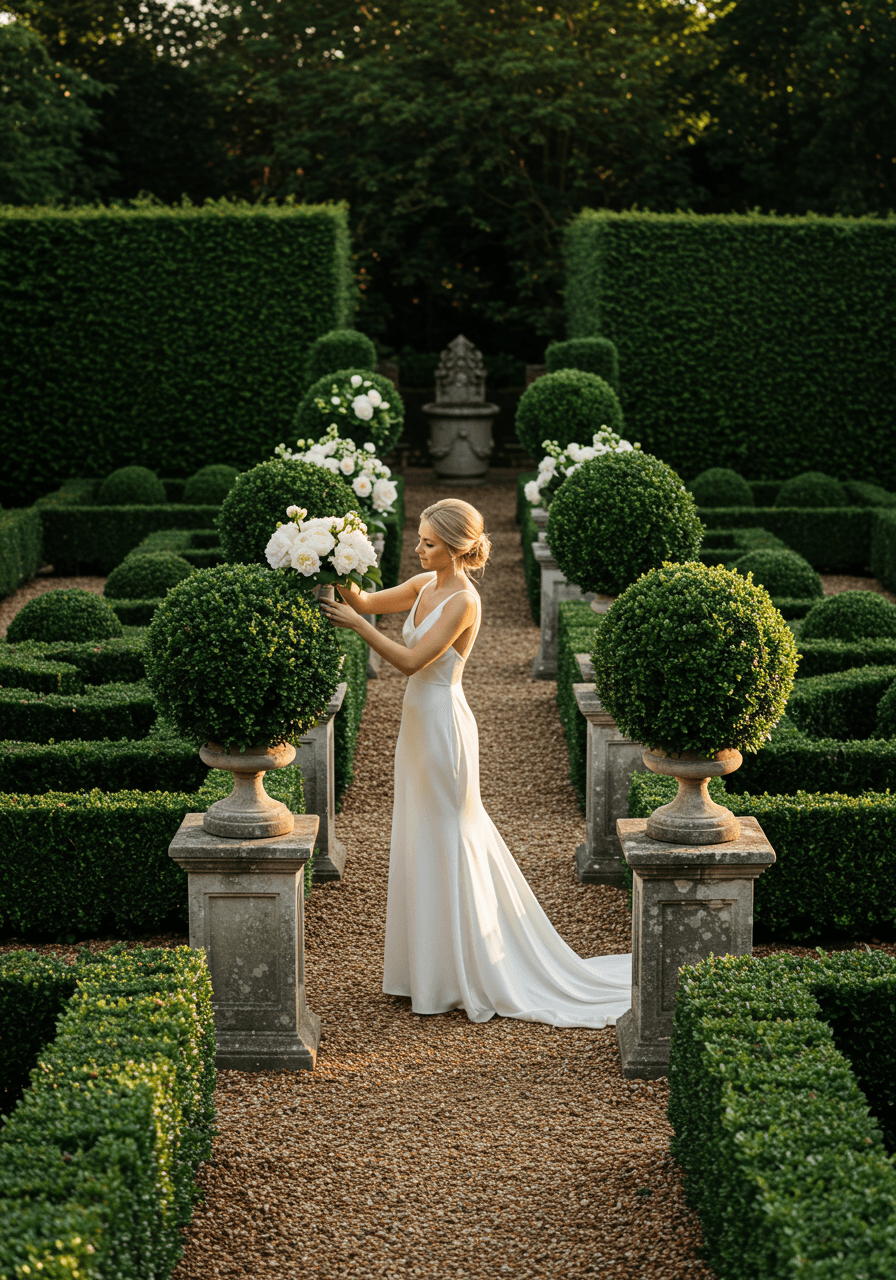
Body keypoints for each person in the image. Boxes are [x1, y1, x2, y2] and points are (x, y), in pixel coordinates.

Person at [318, 498, 631, 1027]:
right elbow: (368, 600)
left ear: (458, 548)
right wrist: (331, 557)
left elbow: (412, 660)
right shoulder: (423, 586)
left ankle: (464, 968)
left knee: (449, 833)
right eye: (418, 539)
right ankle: (425, 971)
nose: (418, 549)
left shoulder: (463, 600)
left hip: (444, 724)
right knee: (420, 831)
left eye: (429, 543)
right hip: (415, 725)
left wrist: (357, 627)